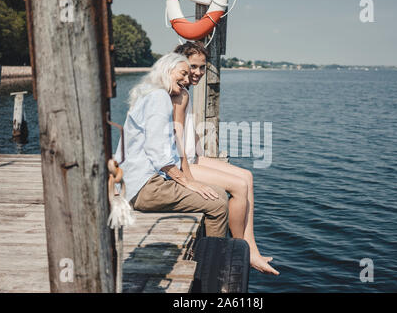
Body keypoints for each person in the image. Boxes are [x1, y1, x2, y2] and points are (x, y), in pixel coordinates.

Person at [172, 42, 279, 275]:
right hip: (181, 163)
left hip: (192, 157)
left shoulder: (185, 91)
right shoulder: (176, 93)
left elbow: (190, 132)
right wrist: (188, 177)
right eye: (193, 66)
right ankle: (237, 251)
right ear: (178, 65)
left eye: (202, 67)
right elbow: (176, 136)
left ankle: (251, 249)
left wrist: (203, 156)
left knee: (247, 176)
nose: (198, 72)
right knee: (239, 186)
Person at [114, 52, 230, 238]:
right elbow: (158, 151)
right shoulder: (159, 97)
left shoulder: (148, 93)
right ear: (167, 70)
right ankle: (215, 262)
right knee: (218, 203)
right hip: (146, 188)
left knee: (218, 194)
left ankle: (210, 250)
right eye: (182, 73)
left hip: (135, 185)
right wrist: (187, 182)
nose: (187, 79)